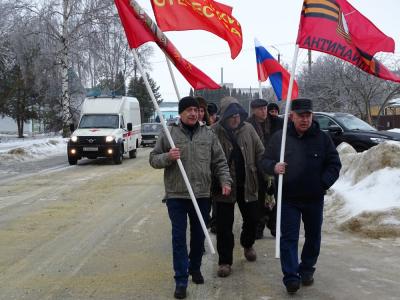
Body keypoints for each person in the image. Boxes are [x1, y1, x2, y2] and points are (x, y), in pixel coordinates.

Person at [149, 96, 232, 299]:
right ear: (181, 113)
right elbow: (153, 159)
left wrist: (225, 181)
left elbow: (220, 161)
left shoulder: (208, 134)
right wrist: (168, 157)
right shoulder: (169, 133)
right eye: (189, 110)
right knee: (178, 238)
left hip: (202, 194)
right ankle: (181, 279)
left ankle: (194, 266)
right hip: (176, 195)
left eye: (196, 110)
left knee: (198, 236)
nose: (193, 113)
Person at [261, 98, 341, 294]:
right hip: (289, 199)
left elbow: (334, 164)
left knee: (313, 237)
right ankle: (291, 277)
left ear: (312, 116)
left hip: (314, 199)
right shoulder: (280, 138)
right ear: (292, 117)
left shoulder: (322, 139)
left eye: (308, 115)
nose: (305, 119)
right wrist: (273, 167)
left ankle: (307, 269)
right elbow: (264, 160)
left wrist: (322, 183)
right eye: (301, 116)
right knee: (289, 238)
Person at [211, 96, 265, 278]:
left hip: (248, 183)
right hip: (223, 187)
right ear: (224, 116)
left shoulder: (248, 129)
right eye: (231, 115)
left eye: (238, 115)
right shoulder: (213, 132)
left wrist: (269, 170)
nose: (235, 119)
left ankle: (247, 243)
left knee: (253, 218)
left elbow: (260, 152)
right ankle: (225, 261)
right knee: (224, 227)